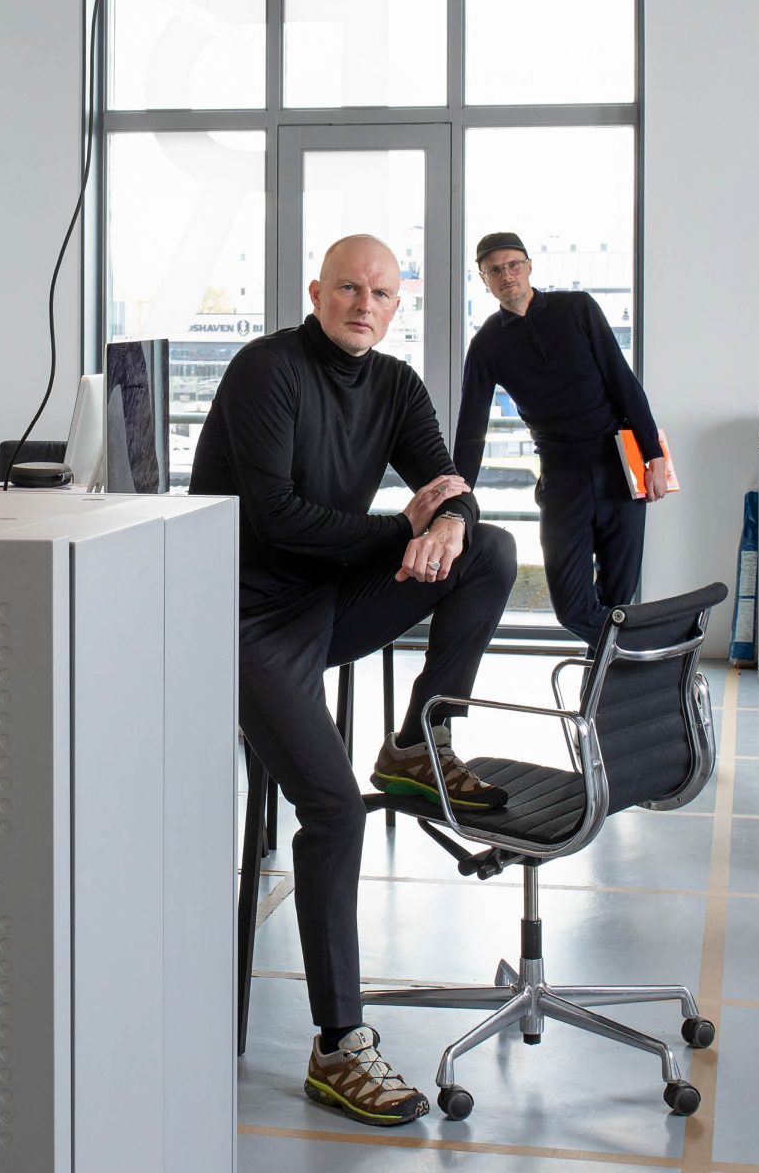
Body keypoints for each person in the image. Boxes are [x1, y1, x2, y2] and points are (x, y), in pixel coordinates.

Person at [192, 234, 518, 1129]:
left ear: (396, 304)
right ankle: (339, 1046)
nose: (362, 304)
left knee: (488, 550)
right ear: (316, 292)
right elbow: (279, 520)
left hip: (329, 601)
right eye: (347, 287)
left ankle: (417, 742)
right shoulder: (267, 371)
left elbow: (450, 485)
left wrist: (449, 521)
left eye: (379, 292)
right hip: (247, 620)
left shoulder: (396, 385)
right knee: (335, 810)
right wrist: (403, 527)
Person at [452, 231, 673, 647]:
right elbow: (470, 433)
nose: (506, 275)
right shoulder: (486, 345)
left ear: (529, 266)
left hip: (618, 464)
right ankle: (656, 647)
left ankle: (608, 682)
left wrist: (654, 456)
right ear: (484, 280)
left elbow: (622, 381)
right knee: (572, 608)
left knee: (618, 599)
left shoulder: (578, 308)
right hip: (561, 476)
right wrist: (456, 506)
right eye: (494, 270)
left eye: (513, 265)